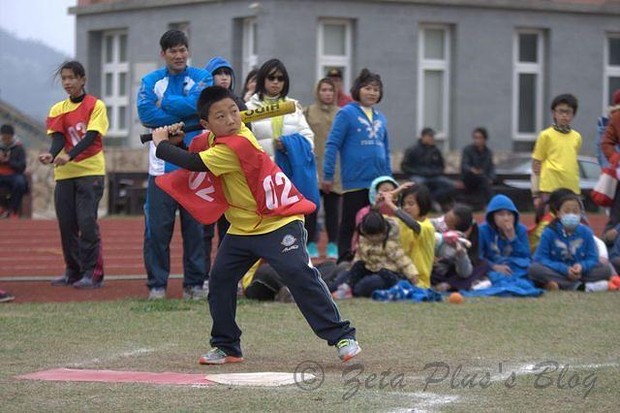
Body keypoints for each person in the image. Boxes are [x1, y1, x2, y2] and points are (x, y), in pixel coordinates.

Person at [151, 85, 360, 363]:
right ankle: (227, 346)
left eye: (234, 112)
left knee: (297, 272)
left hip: (278, 221)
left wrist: (161, 145)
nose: (231, 120)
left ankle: (342, 335)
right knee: (221, 279)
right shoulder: (214, 138)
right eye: (220, 116)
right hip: (243, 228)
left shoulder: (239, 142)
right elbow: (197, 146)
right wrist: (177, 141)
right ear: (206, 123)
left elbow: (194, 162)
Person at [137, 29, 211, 300]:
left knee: (195, 230)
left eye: (183, 50)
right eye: (173, 51)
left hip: (193, 165)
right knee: (157, 230)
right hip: (161, 168)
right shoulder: (150, 80)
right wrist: (184, 111)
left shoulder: (202, 77)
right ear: (163, 54)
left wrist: (166, 103)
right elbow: (145, 112)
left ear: (188, 51)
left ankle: (194, 284)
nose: (179, 55)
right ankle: (157, 285)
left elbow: (200, 107)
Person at [38, 60, 107, 289]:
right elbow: (58, 139)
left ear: (82, 79)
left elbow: (91, 136)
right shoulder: (57, 109)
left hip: (91, 171)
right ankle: (73, 271)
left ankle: (93, 273)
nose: (67, 82)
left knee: (86, 222)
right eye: (64, 79)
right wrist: (51, 155)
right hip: (64, 175)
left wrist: (70, 155)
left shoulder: (95, 105)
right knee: (66, 224)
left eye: (72, 78)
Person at [245, 59, 319, 252]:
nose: (276, 82)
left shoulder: (293, 106)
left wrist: (288, 145)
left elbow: (309, 139)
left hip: (289, 178)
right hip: (262, 178)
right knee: (263, 229)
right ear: (263, 80)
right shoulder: (249, 107)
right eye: (271, 78)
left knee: (290, 230)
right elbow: (244, 141)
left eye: (280, 78)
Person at [323, 68, 392, 262]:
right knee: (349, 223)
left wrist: (389, 181)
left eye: (376, 89)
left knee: (376, 223)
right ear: (357, 89)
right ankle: (344, 261)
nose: (372, 92)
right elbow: (332, 144)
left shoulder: (381, 118)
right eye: (368, 88)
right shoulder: (346, 113)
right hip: (354, 181)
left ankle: (373, 259)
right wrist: (328, 175)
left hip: (377, 183)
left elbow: (386, 150)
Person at [529, 192, 612, 291]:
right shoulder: (549, 232)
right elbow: (540, 258)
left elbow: (592, 258)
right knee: (534, 270)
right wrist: (565, 269)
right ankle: (578, 286)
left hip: (580, 272)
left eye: (575, 211)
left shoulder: (586, 232)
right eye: (567, 211)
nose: (571, 215)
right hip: (557, 270)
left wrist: (581, 267)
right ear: (559, 213)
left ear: (580, 214)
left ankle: (560, 284)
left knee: (606, 270)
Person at [330, 208, 418, 298]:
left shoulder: (390, 244)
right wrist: (352, 269)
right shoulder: (364, 239)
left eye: (377, 236)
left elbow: (404, 261)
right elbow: (359, 256)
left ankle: (353, 290)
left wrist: (413, 275)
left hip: (386, 274)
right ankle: (343, 288)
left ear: (384, 231)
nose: (374, 239)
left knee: (363, 287)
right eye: (370, 236)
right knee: (346, 275)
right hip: (369, 269)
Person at [304, 77, 341, 259]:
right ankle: (311, 242)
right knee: (312, 208)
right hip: (313, 166)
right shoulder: (308, 112)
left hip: (335, 168)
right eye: (323, 90)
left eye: (330, 90)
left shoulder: (341, 113)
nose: (327, 93)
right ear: (317, 92)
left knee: (333, 209)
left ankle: (333, 243)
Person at [531, 93, 581, 221]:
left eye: (568, 112)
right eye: (561, 111)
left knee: (573, 224)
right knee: (548, 223)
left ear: (573, 115)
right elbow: (536, 165)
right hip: (550, 188)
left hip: (571, 188)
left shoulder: (577, 137)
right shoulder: (545, 135)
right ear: (554, 113)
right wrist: (535, 195)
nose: (564, 115)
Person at [381, 183, 436, 289]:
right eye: (404, 204)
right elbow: (374, 219)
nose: (406, 207)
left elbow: (413, 225)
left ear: (423, 204)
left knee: (374, 281)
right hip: (398, 273)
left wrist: (392, 205)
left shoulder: (427, 227)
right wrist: (381, 202)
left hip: (417, 282)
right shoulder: (399, 223)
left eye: (411, 204)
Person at [430, 204, 490, 291]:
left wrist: (460, 253)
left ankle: (449, 285)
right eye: (445, 217)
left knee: (482, 264)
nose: (443, 221)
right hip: (430, 267)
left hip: (446, 270)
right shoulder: (435, 223)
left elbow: (466, 269)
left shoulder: (460, 240)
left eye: (447, 222)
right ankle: (453, 284)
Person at [479, 194, 531, 283]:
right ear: (493, 216)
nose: (506, 218)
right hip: (492, 266)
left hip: (513, 265)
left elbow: (526, 256)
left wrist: (513, 238)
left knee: (531, 269)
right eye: (501, 214)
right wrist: (494, 267)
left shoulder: (521, 229)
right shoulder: (482, 230)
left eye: (509, 214)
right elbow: (478, 257)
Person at [401, 127, 454, 212]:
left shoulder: (435, 151)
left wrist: (434, 172)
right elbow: (404, 166)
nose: (432, 138)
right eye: (429, 136)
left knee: (449, 185)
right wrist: (418, 172)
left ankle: (431, 199)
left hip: (433, 176)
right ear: (423, 137)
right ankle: (428, 203)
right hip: (418, 176)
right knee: (419, 184)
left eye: (432, 136)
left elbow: (441, 167)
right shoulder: (412, 150)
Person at [599, 89, 620, 246]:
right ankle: (606, 250)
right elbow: (606, 142)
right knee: (616, 217)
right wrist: (616, 159)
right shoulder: (617, 118)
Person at [460, 127, 495, 205]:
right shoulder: (468, 150)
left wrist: (491, 178)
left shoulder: (488, 152)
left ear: (485, 139)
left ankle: (487, 204)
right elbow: (464, 165)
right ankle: (492, 204)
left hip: (483, 178)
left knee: (484, 181)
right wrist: (472, 170)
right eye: (475, 138)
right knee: (483, 180)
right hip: (469, 177)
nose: (477, 140)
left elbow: (491, 167)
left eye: (479, 138)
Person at [0, 124, 27, 218]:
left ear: (12, 137)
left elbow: (22, 166)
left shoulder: (19, 148)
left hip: (14, 174)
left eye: (8, 138)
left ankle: (13, 209)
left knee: (20, 183)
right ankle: (2, 207)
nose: (6, 140)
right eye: (4, 138)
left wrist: (8, 161)